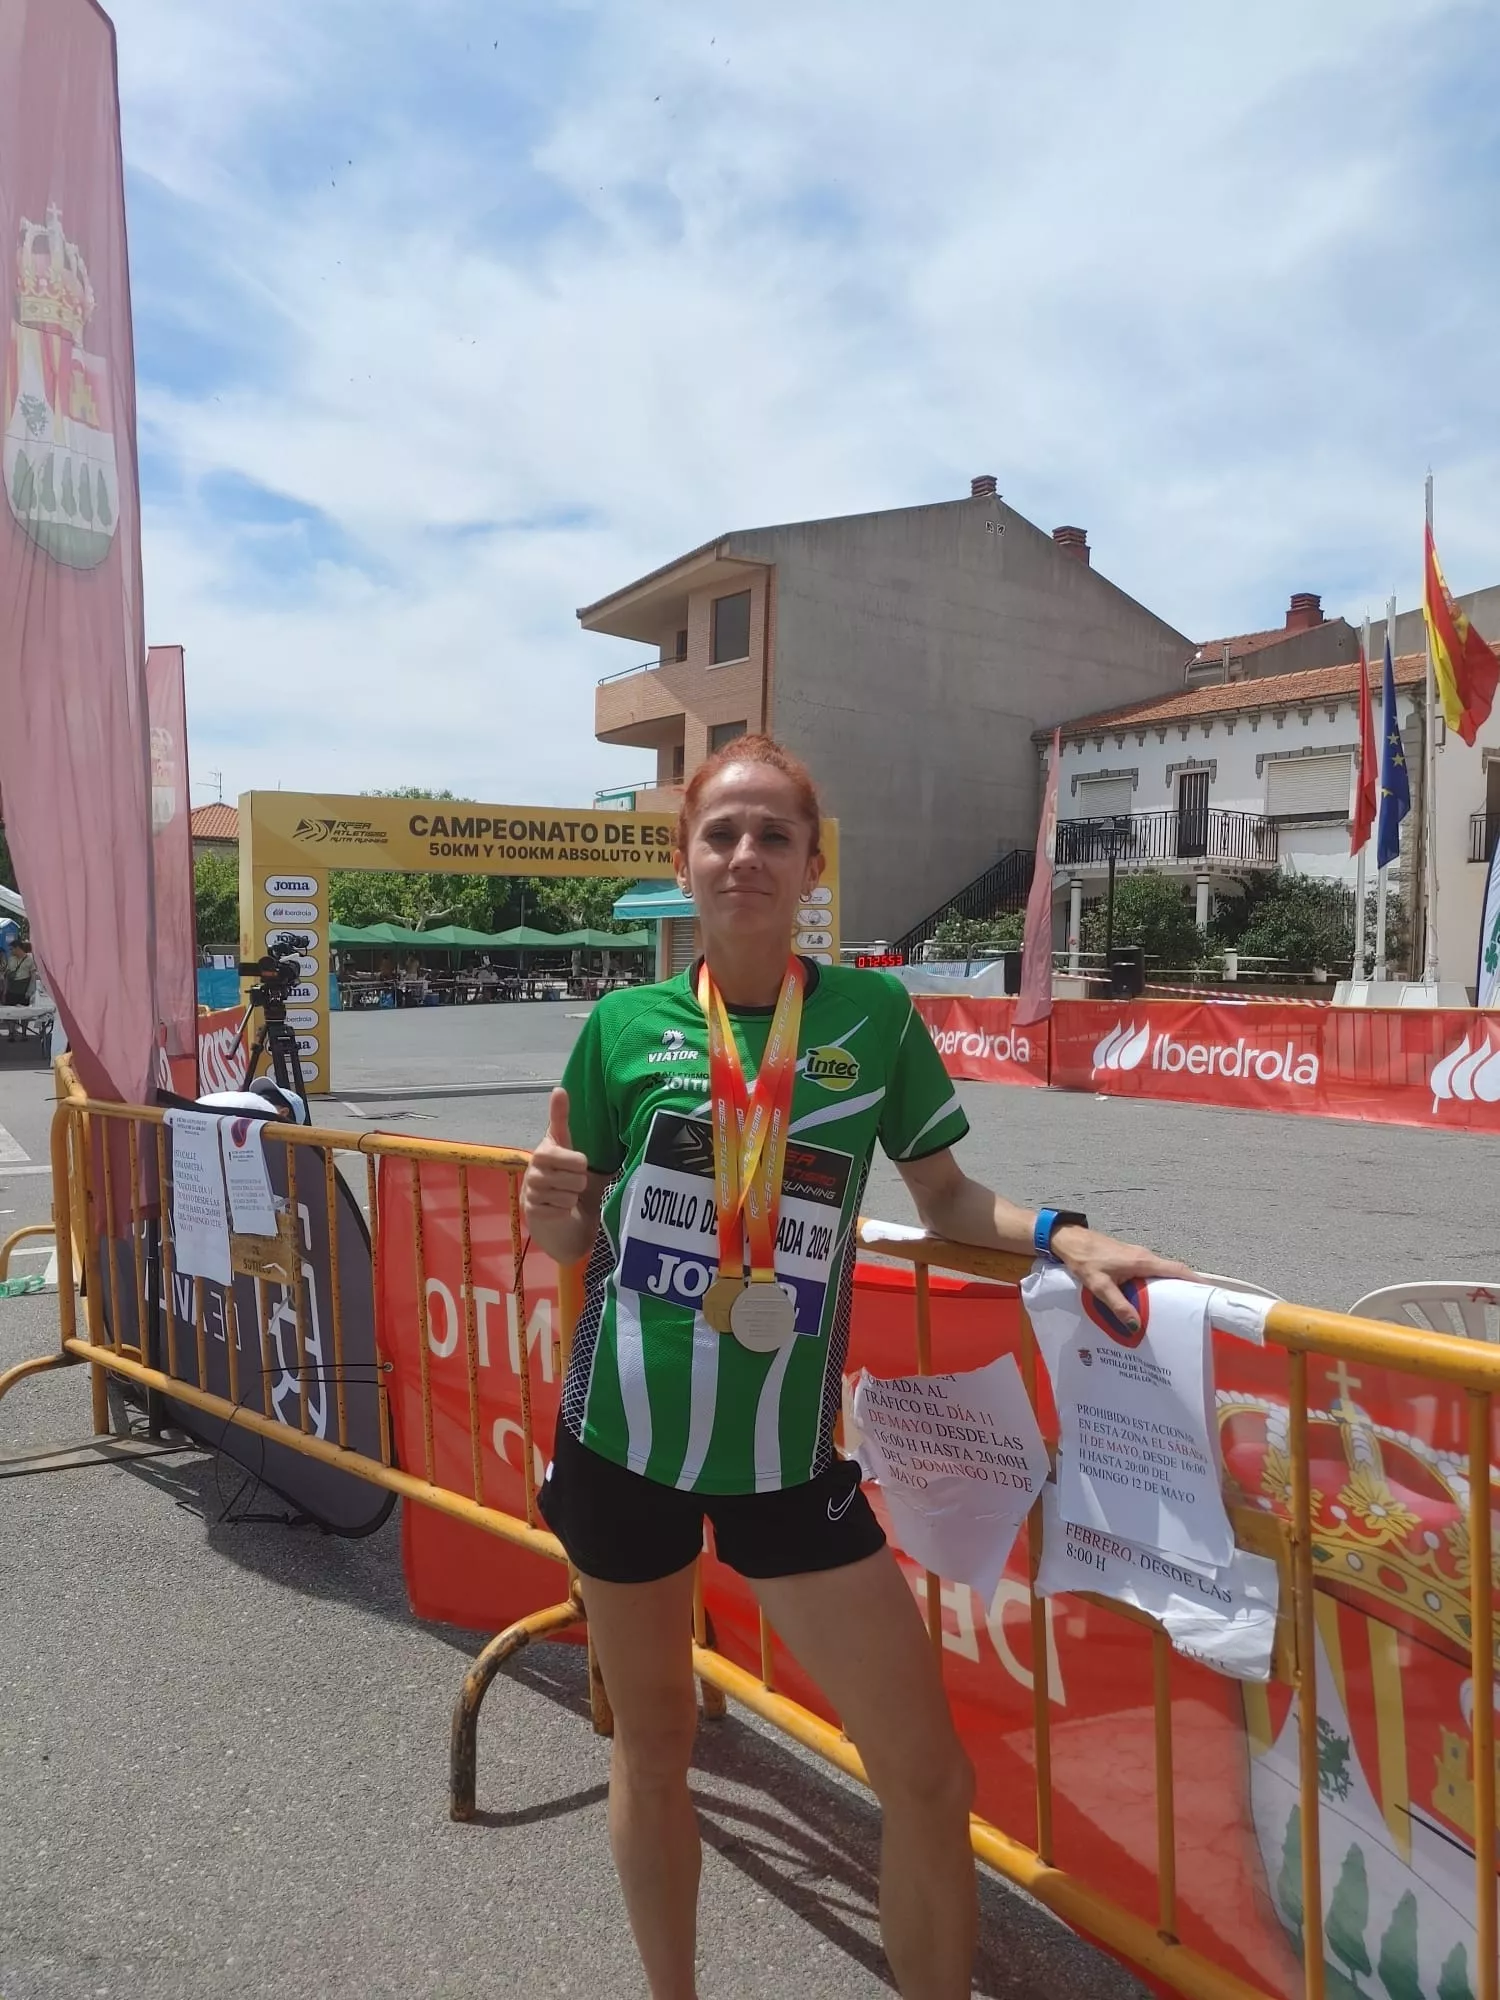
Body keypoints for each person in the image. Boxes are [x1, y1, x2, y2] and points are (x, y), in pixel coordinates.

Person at [521, 736, 1189, 2000]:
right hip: (619, 1444)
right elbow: (573, 1230)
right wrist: (550, 1203)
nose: (746, 855)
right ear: (685, 863)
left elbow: (942, 1193)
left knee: (930, 1776)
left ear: (812, 864)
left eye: (774, 833)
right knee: (656, 1738)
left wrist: (1063, 1232)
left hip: (786, 1463)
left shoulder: (873, 1018)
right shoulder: (621, 1025)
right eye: (721, 832)